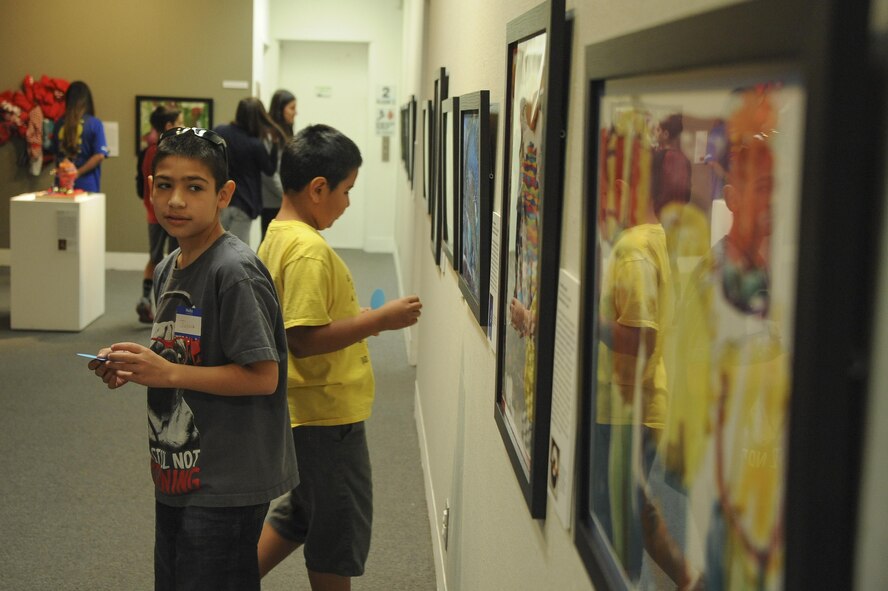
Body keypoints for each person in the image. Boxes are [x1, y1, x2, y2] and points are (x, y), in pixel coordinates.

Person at [87, 126, 299, 591]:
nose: (176, 200)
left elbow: (263, 376)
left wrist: (167, 371)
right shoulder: (169, 266)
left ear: (224, 195)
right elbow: (176, 354)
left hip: (227, 479)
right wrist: (135, 363)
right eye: (164, 185)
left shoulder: (235, 271)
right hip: (178, 470)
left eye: (194, 187)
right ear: (150, 190)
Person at [256, 124, 422, 591]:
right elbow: (303, 337)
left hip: (303, 409)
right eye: (346, 191)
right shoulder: (308, 250)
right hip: (326, 416)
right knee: (337, 525)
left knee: (306, 510)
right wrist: (379, 320)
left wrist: (355, 316)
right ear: (318, 189)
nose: (348, 203)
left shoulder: (279, 235)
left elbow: (306, 317)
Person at [135, 105, 184, 323]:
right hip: (172, 214)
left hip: (152, 213)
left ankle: (145, 299)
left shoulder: (148, 151)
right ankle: (168, 306)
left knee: (154, 258)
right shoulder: (171, 153)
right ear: (169, 126)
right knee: (177, 260)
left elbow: (140, 185)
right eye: (180, 122)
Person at [214, 97, 285, 244]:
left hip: (220, 198)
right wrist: (275, 146)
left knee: (215, 246)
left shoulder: (220, 132)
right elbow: (270, 170)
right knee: (237, 249)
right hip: (244, 203)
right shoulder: (255, 144)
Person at [51, 80, 109, 192]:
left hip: (62, 185)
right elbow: (99, 155)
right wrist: (77, 173)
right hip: (87, 186)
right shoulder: (94, 123)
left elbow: (56, 155)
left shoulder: (59, 124)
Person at [260, 89, 297, 239]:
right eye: (292, 108)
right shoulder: (269, 135)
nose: (295, 112)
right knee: (270, 241)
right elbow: (268, 172)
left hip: (283, 198)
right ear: (280, 109)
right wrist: (284, 194)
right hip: (272, 200)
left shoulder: (285, 132)